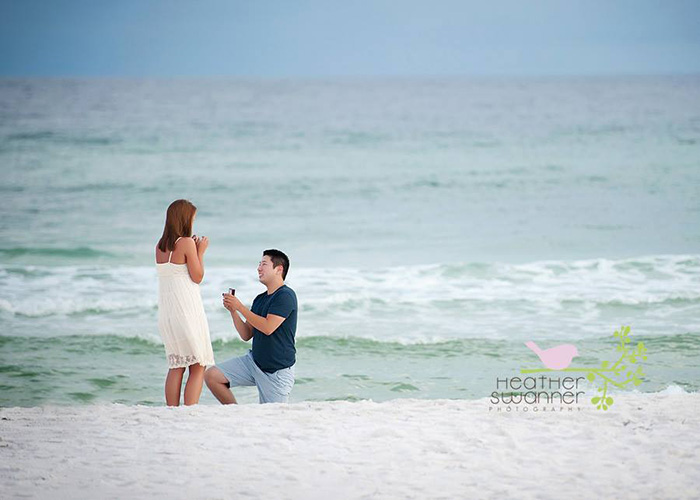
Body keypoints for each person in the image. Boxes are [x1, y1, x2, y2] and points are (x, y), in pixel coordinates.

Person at [205, 249, 297, 404]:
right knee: (212, 376)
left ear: (279, 269)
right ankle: (236, 412)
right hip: (254, 362)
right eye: (259, 264)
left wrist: (241, 307)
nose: (259, 268)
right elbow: (246, 334)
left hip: (276, 372)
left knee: (274, 420)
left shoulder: (285, 295)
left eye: (264, 264)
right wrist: (233, 311)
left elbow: (268, 327)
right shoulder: (260, 299)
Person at [155, 199, 215, 406]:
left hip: (168, 313)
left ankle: (172, 410)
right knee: (198, 364)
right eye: (193, 218)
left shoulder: (160, 246)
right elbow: (197, 276)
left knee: (176, 365)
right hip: (187, 310)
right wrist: (200, 251)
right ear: (184, 219)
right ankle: (190, 411)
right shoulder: (187, 243)